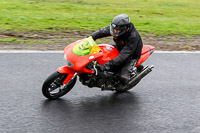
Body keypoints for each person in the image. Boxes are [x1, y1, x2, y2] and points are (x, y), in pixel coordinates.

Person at [90, 14, 143, 86]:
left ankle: (118, 78)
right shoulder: (116, 28)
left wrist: (106, 66)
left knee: (123, 80)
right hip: (119, 47)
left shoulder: (133, 37)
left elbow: (123, 56)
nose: (115, 31)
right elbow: (102, 32)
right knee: (99, 52)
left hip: (131, 55)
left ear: (126, 28)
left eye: (118, 30)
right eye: (114, 29)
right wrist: (90, 38)